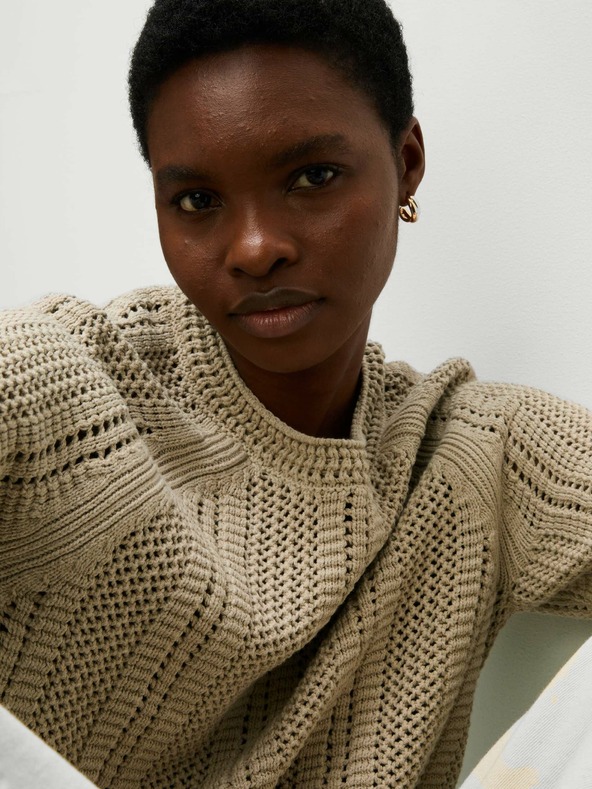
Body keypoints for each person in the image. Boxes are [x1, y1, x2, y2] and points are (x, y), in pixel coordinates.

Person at [0, 1, 590, 787]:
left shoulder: (470, 457)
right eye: (197, 201)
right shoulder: (65, 387)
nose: (254, 248)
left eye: (312, 177)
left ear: (407, 162)